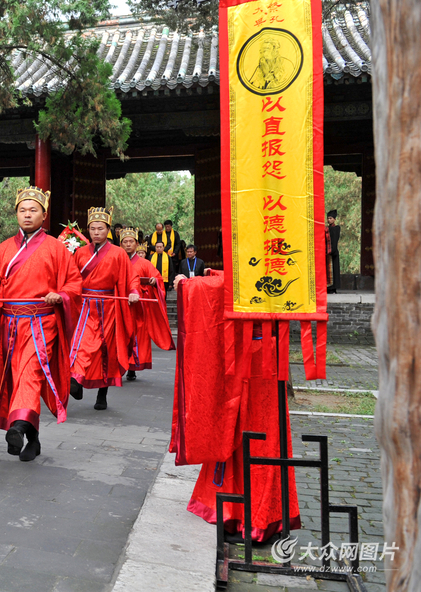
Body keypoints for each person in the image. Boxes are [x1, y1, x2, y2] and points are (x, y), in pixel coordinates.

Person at [171, 271, 300, 543]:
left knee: (253, 430)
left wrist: (187, 284)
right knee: (256, 431)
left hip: (254, 352)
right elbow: (237, 279)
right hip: (267, 348)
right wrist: (212, 275)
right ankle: (244, 512)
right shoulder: (284, 254)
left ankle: (249, 515)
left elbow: (237, 283)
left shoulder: (264, 254)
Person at [0, 187, 82, 462]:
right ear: (16, 215)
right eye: (23, 210)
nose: (28, 214)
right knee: (13, 378)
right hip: (8, 323)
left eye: (33, 210)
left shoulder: (56, 248)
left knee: (30, 373)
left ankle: (17, 425)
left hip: (40, 323)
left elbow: (74, 282)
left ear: (44, 215)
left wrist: (62, 294)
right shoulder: (4, 248)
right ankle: (33, 438)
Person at [68, 207, 136, 411]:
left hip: (108, 306)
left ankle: (102, 393)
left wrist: (133, 291)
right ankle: (76, 380)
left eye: (101, 228)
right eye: (93, 228)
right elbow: (71, 278)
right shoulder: (80, 253)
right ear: (88, 230)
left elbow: (130, 277)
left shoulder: (118, 254)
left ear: (108, 230)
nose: (96, 232)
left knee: (105, 350)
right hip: (85, 305)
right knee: (82, 344)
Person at [121, 228, 174, 381]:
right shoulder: (118, 260)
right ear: (121, 244)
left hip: (139, 306)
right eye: (125, 242)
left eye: (131, 241)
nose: (128, 244)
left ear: (137, 244)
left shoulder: (144, 263)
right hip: (122, 303)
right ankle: (121, 363)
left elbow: (157, 278)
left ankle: (133, 365)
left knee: (137, 336)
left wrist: (153, 282)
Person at [327, 210, 340, 294]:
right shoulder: (326, 229)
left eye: (330, 218)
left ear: (334, 219)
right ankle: (328, 286)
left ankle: (334, 287)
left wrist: (332, 250)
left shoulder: (336, 228)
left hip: (333, 251)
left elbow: (334, 240)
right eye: (328, 218)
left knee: (334, 269)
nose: (329, 220)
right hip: (327, 252)